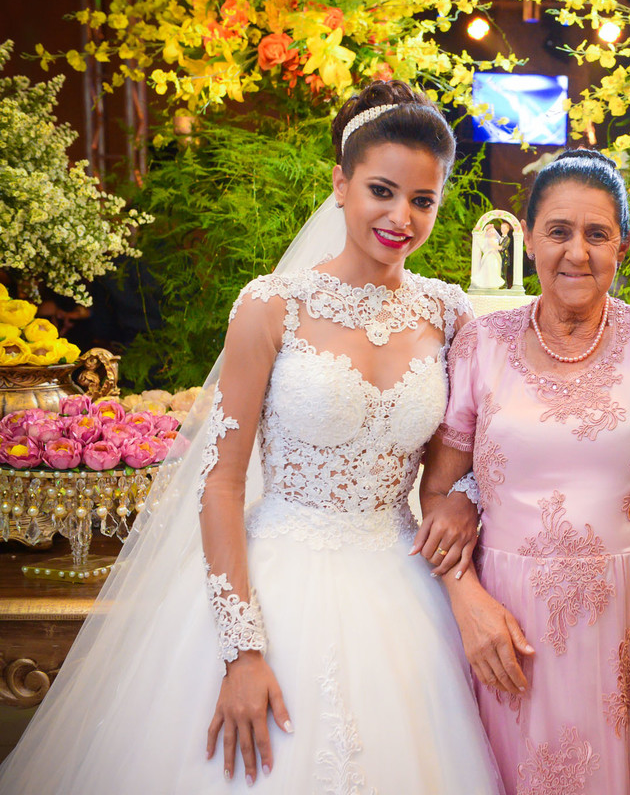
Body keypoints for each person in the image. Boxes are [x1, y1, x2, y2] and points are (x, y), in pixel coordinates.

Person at [0, 81, 502, 793]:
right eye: (382, 191)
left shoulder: (450, 314)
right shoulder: (271, 306)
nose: (401, 217)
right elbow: (222, 482)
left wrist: (467, 498)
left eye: (423, 200)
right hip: (278, 581)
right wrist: (241, 651)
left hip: (404, 590)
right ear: (341, 183)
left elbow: (457, 471)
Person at [422, 148, 630, 795]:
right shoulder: (481, 345)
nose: (576, 252)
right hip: (506, 627)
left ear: (622, 246)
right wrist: (468, 603)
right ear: (528, 238)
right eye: (558, 231)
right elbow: (437, 493)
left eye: (596, 234)